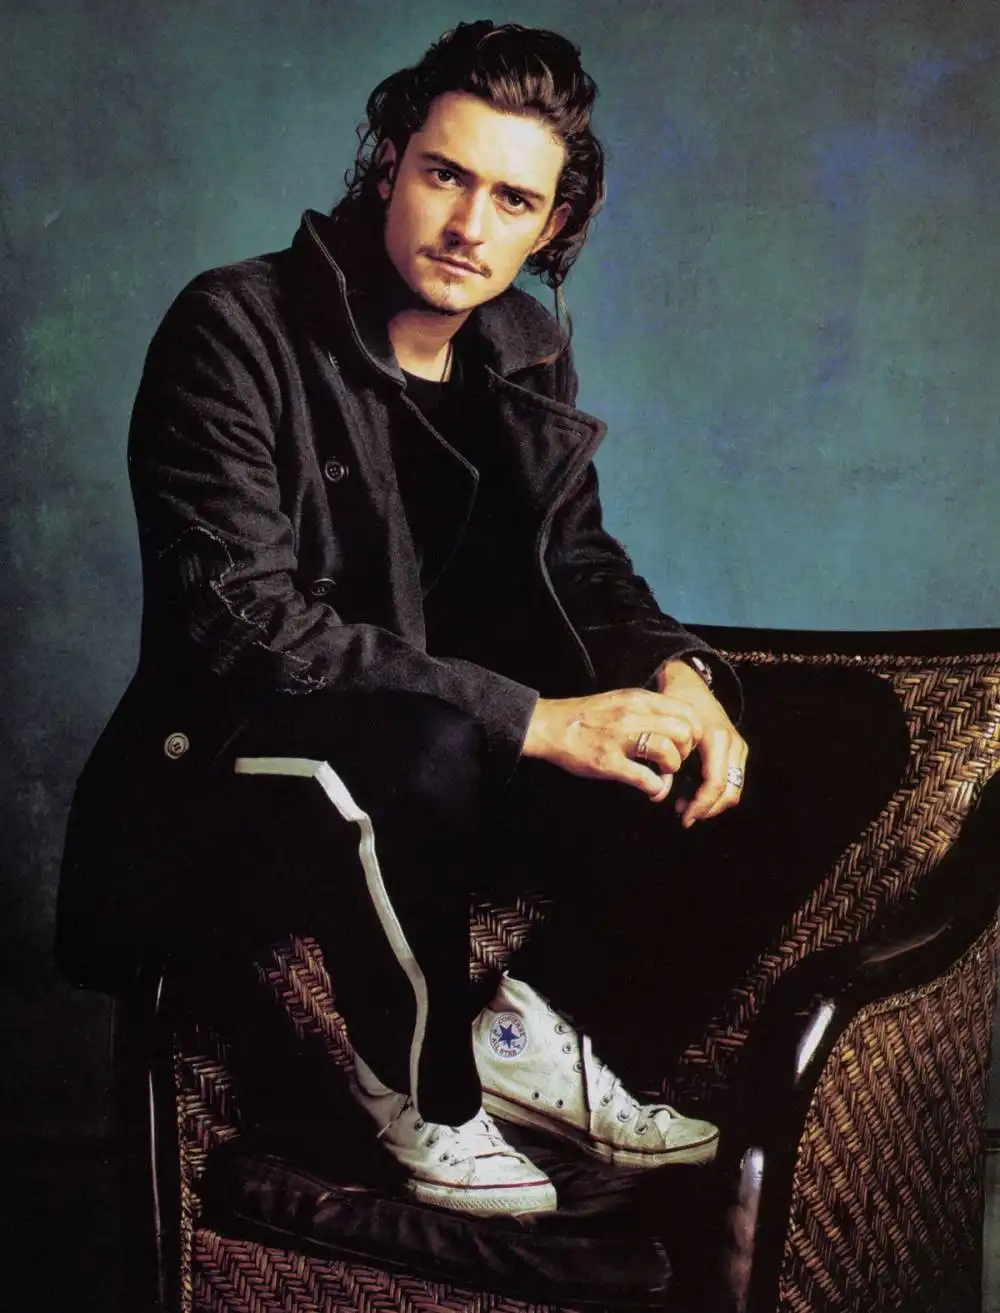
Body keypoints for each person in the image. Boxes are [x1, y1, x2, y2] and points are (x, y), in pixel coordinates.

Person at [58, 20, 755, 1219]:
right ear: (389, 165)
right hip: (221, 782)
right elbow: (246, 626)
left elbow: (580, 564)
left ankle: (518, 1031)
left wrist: (676, 673)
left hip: (445, 776)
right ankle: (426, 1088)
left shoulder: (520, 355)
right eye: (445, 175)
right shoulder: (235, 325)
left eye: (511, 199)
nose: (469, 225)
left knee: (762, 727)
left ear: (551, 226)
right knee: (426, 739)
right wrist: (538, 722)